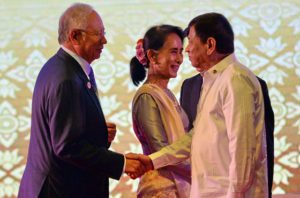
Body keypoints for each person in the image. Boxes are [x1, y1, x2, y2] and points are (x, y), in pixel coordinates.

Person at [18, 3, 145, 198]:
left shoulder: (62, 67)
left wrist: (97, 132)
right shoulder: (66, 78)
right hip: (59, 190)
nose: (105, 40)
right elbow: (67, 146)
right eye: (98, 34)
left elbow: (62, 130)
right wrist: (122, 163)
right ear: (75, 36)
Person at [137, 12, 269, 197]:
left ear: (210, 45)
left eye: (190, 42)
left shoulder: (235, 79)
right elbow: (195, 138)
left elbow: (243, 154)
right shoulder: (214, 80)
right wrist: (152, 161)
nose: (187, 50)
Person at [180, 74, 274, 197]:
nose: (187, 53)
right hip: (201, 187)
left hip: (237, 187)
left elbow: (265, 142)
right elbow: (190, 138)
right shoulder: (189, 85)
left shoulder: (249, 82)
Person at [130, 25, 191, 198]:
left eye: (180, 52)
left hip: (178, 182)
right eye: (173, 52)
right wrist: (203, 169)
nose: (179, 59)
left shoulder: (166, 93)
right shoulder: (147, 96)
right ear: (152, 56)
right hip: (161, 188)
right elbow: (160, 150)